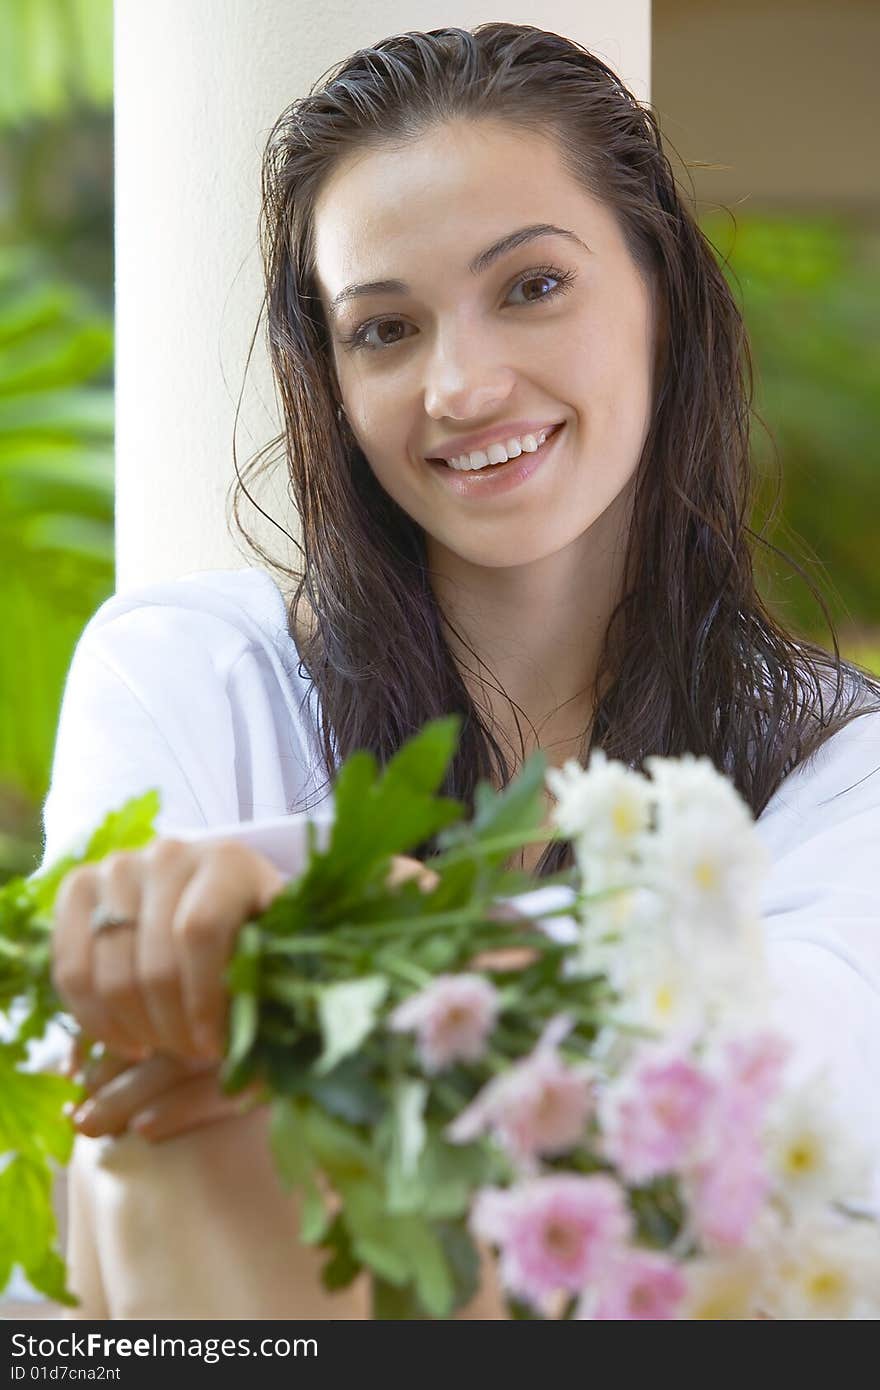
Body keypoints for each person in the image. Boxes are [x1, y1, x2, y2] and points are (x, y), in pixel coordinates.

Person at [38, 22, 880, 1319]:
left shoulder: (842, 762)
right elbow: (69, 1089)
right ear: (326, 374)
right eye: (383, 329)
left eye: (532, 287)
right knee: (184, 1115)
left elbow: (804, 1076)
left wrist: (348, 944)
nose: (462, 383)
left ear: (661, 289)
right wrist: (156, 948)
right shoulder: (188, 673)